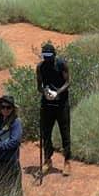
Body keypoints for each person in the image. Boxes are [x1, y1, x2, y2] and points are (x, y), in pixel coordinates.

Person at [34, 41, 71, 181]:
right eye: (45, 56)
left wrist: (58, 93)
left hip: (61, 104)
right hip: (47, 105)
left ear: (54, 55)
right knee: (46, 133)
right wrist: (45, 92)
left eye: (49, 56)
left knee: (65, 132)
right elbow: (39, 86)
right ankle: (47, 159)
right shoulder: (40, 67)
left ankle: (67, 161)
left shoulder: (61, 64)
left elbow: (68, 82)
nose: (47, 59)